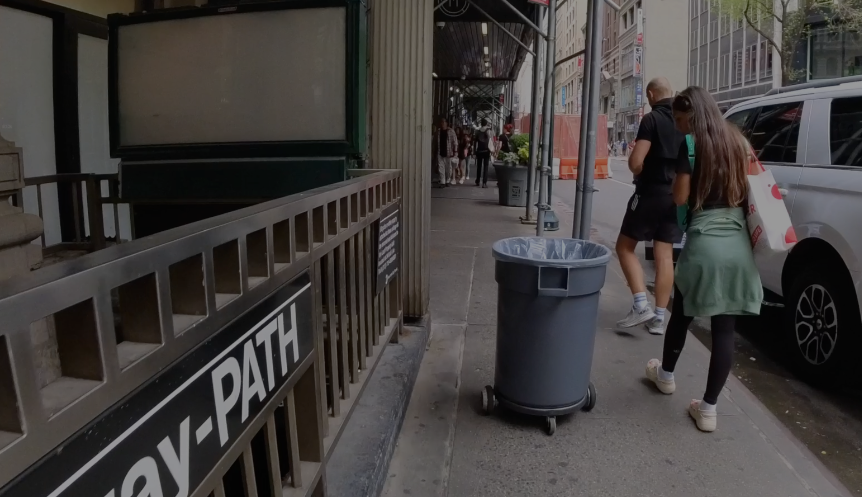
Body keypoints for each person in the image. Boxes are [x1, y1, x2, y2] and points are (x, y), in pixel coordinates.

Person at [645, 86, 762, 432]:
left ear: (693, 115)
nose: (679, 127)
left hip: (704, 244)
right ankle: (708, 409)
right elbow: (754, 183)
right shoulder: (739, 141)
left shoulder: (692, 145)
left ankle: (665, 376)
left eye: (681, 120)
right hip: (737, 245)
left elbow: (680, 195)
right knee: (724, 330)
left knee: (681, 315)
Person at [615, 77, 686, 335]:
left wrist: (643, 168)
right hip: (675, 196)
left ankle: (640, 303)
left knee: (624, 247)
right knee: (664, 255)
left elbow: (635, 162)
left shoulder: (652, 119)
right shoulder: (684, 121)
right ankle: (658, 318)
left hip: (650, 193)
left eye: (648, 96)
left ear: (652, 94)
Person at [436, 118, 458, 188]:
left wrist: (455, 151)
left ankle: (448, 180)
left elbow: (455, 142)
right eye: (441, 122)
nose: (442, 123)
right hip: (440, 152)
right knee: (441, 167)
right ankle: (442, 181)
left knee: (448, 168)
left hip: (449, 152)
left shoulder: (451, 131)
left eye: (443, 122)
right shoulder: (438, 131)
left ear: (446, 123)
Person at [474, 118, 493, 188]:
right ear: (486, 124)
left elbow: (475, 142)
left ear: (481, 124)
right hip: (486, 151)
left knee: (479, 166)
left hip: (479, 150)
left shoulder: (477, 131)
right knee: (486, 167)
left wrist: (474, 151)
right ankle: (484, 183)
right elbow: (491, 141)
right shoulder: (489, 131)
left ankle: (477, 180)